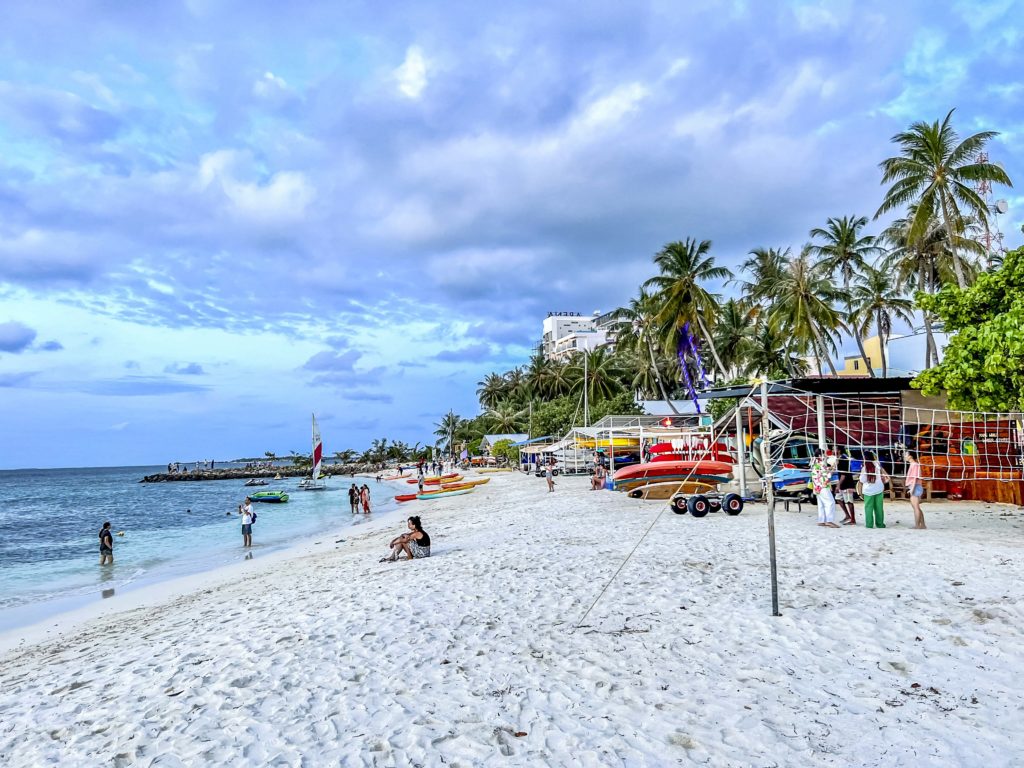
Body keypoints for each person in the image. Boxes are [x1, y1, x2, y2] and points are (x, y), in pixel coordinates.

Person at [810, 449, 839, 528]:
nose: (826, 456)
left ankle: (821, 520)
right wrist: (833, 469)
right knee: (830, 502)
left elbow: (825, 471)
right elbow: (827, 476)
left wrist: (833, 466)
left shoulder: (815, 463)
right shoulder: (820, 464)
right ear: (820, 455)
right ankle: (829, 521)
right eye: (824, 454)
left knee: (821, 504)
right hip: (823, 486)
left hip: (817, 487)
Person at [860, 451, 889, 529]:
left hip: (868, 490)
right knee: (879, 507)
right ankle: (880, 524)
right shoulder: (878, 464)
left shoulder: (864, 468)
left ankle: (869, 524)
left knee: (868, 508)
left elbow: (862, 480)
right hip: (879, 488)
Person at [836, 446, 858, 525]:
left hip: (847, 483)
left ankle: (853, 519)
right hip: (843, 483)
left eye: (834, 449)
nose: (832, 450)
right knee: (838, 498)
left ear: (839, 450)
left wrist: (838, 485)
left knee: (849, 501)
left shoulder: (843, 459)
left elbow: (843, 475)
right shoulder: (839, 458)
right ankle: (848, 516)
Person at [905, 450, 926, 529]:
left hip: (916, 486)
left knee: (916, 507)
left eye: (906, 454)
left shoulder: (915, 465)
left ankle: (917, 525)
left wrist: (912, 489)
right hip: (915, 486)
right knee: (917, 507)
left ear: (910, 456)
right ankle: (922, 525)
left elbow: (914, 478)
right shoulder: (913, 464)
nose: (904, 456)